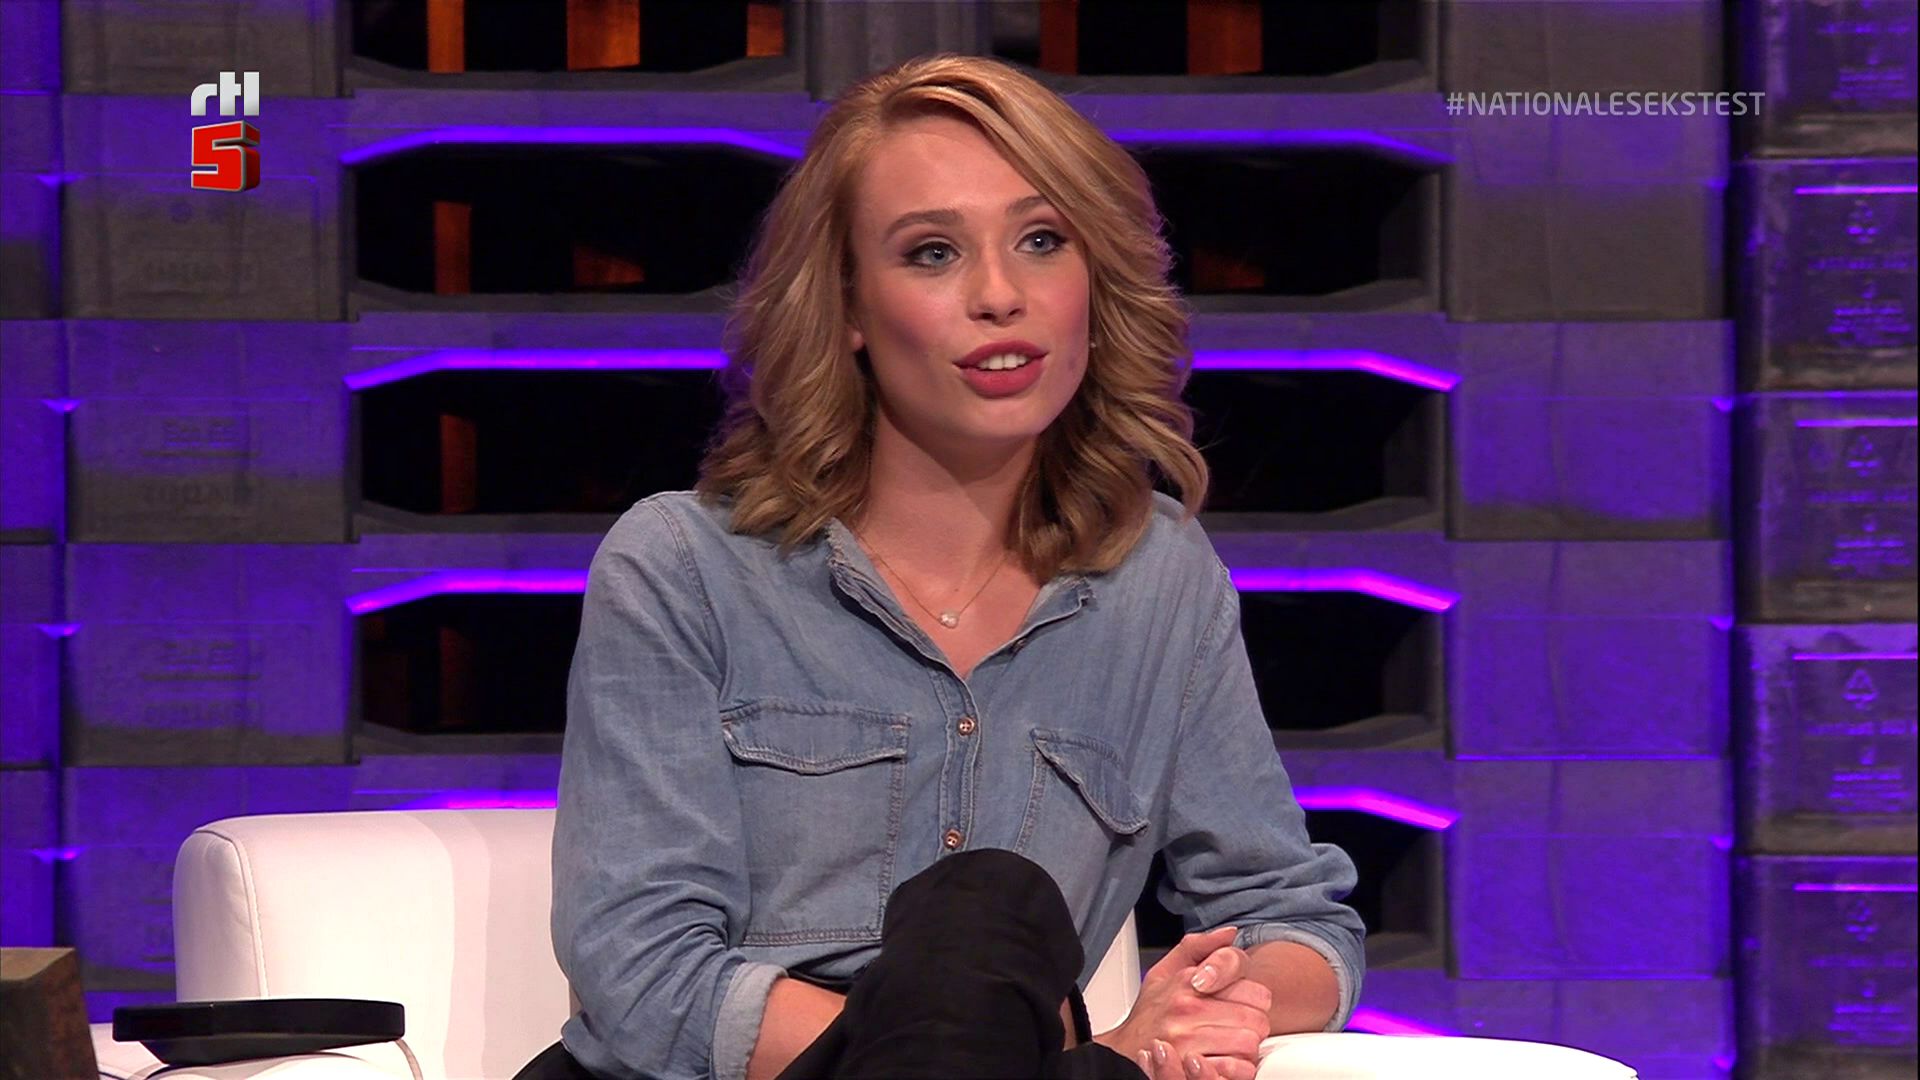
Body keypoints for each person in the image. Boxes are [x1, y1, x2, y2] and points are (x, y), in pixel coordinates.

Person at [523, 52, 1364, 1080]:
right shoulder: (682, 566)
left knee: (985, 910)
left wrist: (1212, 1007)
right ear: (847, 306)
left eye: (1042, 241)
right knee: (985, 915)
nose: (1000, 295)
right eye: (932, 253)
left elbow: (1292, 915)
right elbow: (642, 971)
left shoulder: (1159, 579)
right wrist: (995, 1054)